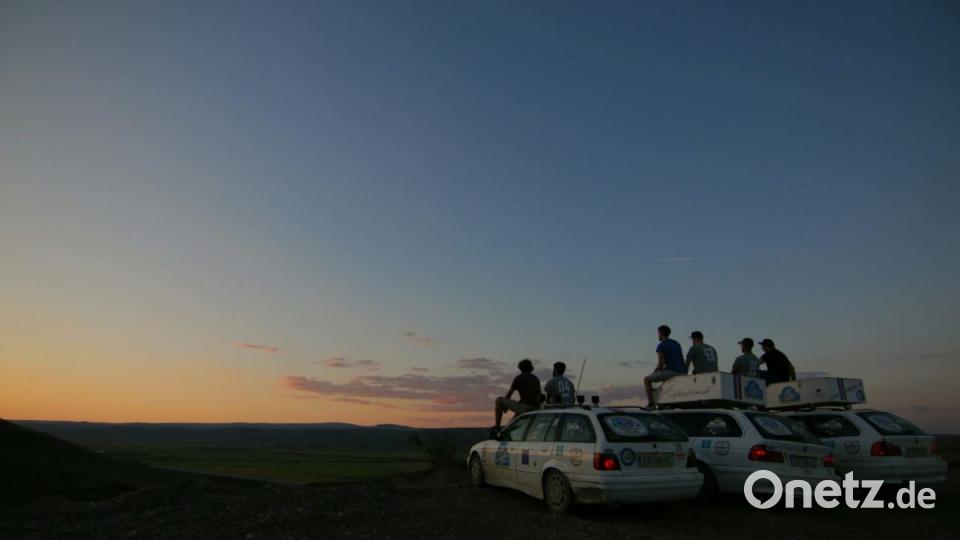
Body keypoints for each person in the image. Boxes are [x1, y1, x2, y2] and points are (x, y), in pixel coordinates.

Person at [643, 325, 685, 409]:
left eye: (658, 333)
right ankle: (666, 402)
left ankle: (651, 404)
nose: (658, 335)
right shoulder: (676, 343)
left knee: (647, 380)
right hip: (682, 372)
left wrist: (654, 372)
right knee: (663, 379)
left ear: (661, 333)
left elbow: (660, 364)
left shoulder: (661, 345)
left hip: (672, 372)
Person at [494, 359, 542, 428]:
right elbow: (538, 395)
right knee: (509, 426)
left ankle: (497, 426)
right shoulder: (536, 378)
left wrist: (505, 407)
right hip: (536, 408)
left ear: (520, 368)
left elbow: (509, 394)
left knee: (499, 400)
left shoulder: (519, 378)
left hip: (525, 407)